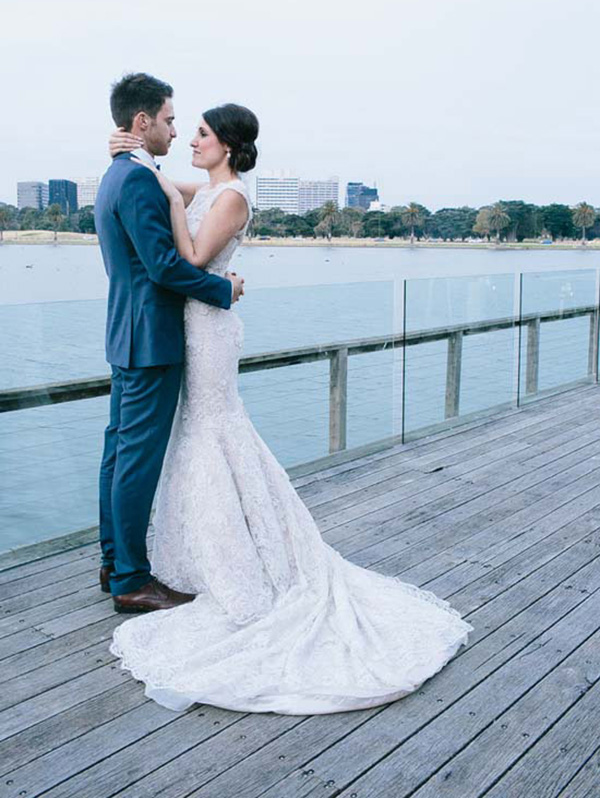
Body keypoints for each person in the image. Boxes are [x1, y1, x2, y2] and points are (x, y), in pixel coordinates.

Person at [108, 102, 473, 715]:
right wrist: (130, 148)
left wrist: (174, 209)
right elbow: (161, 181)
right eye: (185, 129)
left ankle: (240, 561)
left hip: (208, 330)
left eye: (200, 134)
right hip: (193, 327)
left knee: (216, 432)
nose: (190, 140)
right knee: (197, 437)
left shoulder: (231, 200)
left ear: (226, 144)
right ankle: (197, 554)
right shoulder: (210, 187)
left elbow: (192, 260)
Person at [95, 73, 244, 615]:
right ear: (143, 122)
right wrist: (222, 289)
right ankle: (132, 579)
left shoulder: (124, 172)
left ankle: (116, 560)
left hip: (127, 335)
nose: (176, 131)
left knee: (118, 453)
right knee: (135, 460)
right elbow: (161, 266)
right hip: (151, 340)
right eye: (170, 119)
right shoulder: (136, 179)